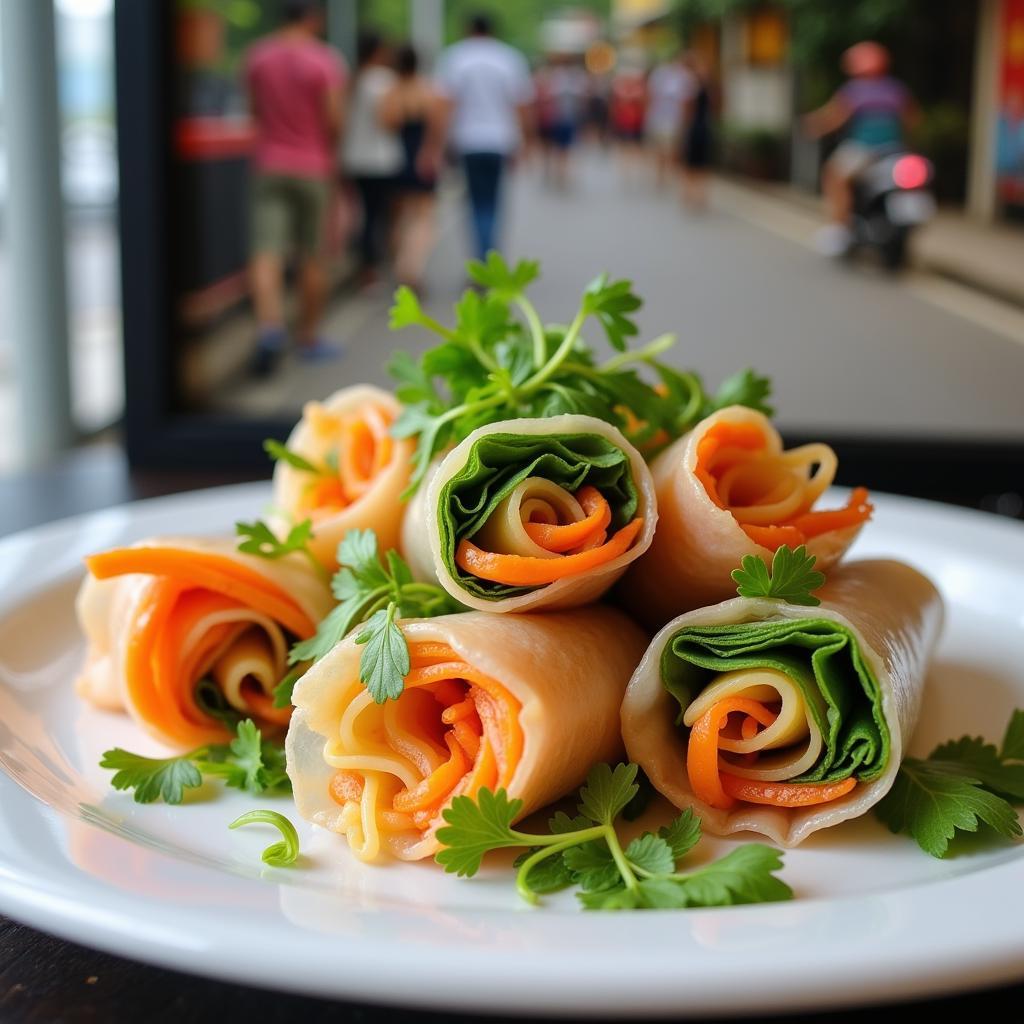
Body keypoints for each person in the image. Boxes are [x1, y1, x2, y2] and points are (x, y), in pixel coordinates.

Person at [244, 0, 345, 374]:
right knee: (313, 254)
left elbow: (253, 111)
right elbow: (334, 120)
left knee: (265, 251)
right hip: (313, 166)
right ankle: (309, 337)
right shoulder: (325, 60)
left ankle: (269, 328)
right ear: (314, 18)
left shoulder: (257, 56)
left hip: (268, 163)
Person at [803, 41, 918, 255]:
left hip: (865, 151)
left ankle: (839, 228)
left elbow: (834, 118)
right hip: (897, 151)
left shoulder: (855, 90)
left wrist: (813, 125)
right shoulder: (896, 89)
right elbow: (912, 121)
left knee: (834, 175)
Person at [436, 13, 534, 261]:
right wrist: (527, 142)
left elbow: (446, 104)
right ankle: (490, 258)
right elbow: (521, 105)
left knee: (475, 204)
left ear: (469, 29)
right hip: (500, 140)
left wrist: (439, 143)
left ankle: (482, 258)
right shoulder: (508, 58)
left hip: (467, 141)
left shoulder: (456, 57)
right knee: (493, 203)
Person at [379, 44, 445, 294]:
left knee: (399, 216)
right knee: (424, 216)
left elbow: (386, 123)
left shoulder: (392, 92)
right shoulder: (428, 91)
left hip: (396, 157)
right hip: (423, 157)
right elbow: (438, 128)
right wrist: (431, 153)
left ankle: (400, 265)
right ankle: (412, 267)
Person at [343, 32, 403, 286]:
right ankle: (373, 264)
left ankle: (364, 266)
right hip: (380, 159)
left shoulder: (352, 78)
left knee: (363, 213)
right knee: (378, 215)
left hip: (353, 157)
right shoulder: (384, 80)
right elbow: (389, 120)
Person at [645, 53, 695, 189]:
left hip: (673, 120)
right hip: (661, 118)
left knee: (672, 148)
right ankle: (661, 175)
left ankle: (669, 174)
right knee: (661, 148)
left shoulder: (685, 77)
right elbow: (650, 97)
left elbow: (688, 102)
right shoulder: (661, 75)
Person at [680, 51, 713, 210]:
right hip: (705, 126)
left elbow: (687, 109)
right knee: (702, 162)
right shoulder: (707, 86)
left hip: (695, 127)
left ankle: (690, 194)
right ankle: (700, 195)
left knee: (691, 162)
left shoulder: (690, 85)